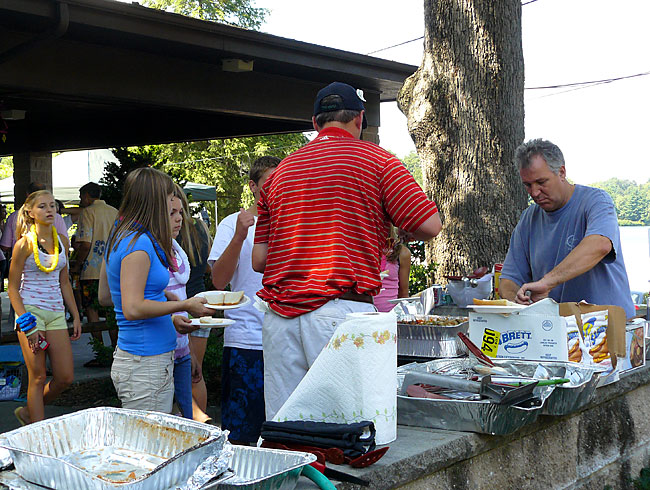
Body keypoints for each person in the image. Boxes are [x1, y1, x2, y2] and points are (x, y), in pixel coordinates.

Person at [252, 82, 441, 419]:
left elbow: (260, 260)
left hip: (279, 318)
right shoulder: (378, 161)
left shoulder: (279, 174)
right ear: (360, 120)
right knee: (349, 429)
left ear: (315, 122)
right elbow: (430, 225)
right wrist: (385, 221)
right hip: (340, 314)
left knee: (288, 430)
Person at [98, 167, 212, 413]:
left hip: (145, 359)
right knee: (147, 448)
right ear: (154, 201)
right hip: (145, 362)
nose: (174, 200)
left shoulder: (122, 235)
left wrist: (161, 298)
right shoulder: (139, 243)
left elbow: (107, 296)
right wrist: (183, 304)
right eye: (168, 195)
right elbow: (132, 307)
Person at [499, 138, 635, 318]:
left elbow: (600, 245)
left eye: (541, 182)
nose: (534, 193)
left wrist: (547, 282)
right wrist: (517, 302)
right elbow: (508, 280)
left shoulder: (596, 201)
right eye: (528, 185)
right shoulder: (528, 219)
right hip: (558, 333)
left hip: (611, 330)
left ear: (561, 172)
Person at [210, 155, 279, 443]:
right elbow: (218, 280)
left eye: (282, 180)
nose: (276, 187)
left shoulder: (296, 221)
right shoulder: (231, 224)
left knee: (282, 431)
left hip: (287, 338)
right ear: (252, 186)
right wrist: (240, 235)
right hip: (246, 340)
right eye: (269, 182)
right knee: (241, 436)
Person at [8, 190, 82, 424]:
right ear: (30, 212)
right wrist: (27, 324)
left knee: (65, 377)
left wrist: (76, 316)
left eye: (52, 205)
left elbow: (64, 282)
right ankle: (36, 434)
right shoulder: (24, 244)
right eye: (42, 206)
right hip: (31, 313)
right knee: (38, 377)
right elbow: (12, 289)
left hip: (56, 314)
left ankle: (29, 413)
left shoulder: (62, 240)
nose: (49, 210)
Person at [166, 187, 202, 419]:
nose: (179, 218)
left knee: (188, 416)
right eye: (171, 213)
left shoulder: (177, 251)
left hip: (182, 350)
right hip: (161, 351)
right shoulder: (149, 252)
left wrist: (191, 351)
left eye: (181, 212)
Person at [71, 182, 119, 356]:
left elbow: (85, 244)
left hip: (92, 269)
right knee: (111, 311)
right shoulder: (115, 212)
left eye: (80, 196)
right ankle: (115, 350)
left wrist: (77, 264)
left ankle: (100, 351)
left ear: (86, 196)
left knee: (92, 309)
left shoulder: (88, 212)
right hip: (112, 269)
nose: (80, 200)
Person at [177, 198, 213, 424]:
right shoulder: (200, 227)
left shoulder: (168, 232)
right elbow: (209, 266)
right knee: (196, 374)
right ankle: (202, 426)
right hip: (202, 302)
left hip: (182, 305)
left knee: (184, 373)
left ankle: (198, 422)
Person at [373, 229, 412, 312]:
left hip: (389, 316)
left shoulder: (402, 253)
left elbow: (403, 294)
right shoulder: (360, 248)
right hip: (361, 315)